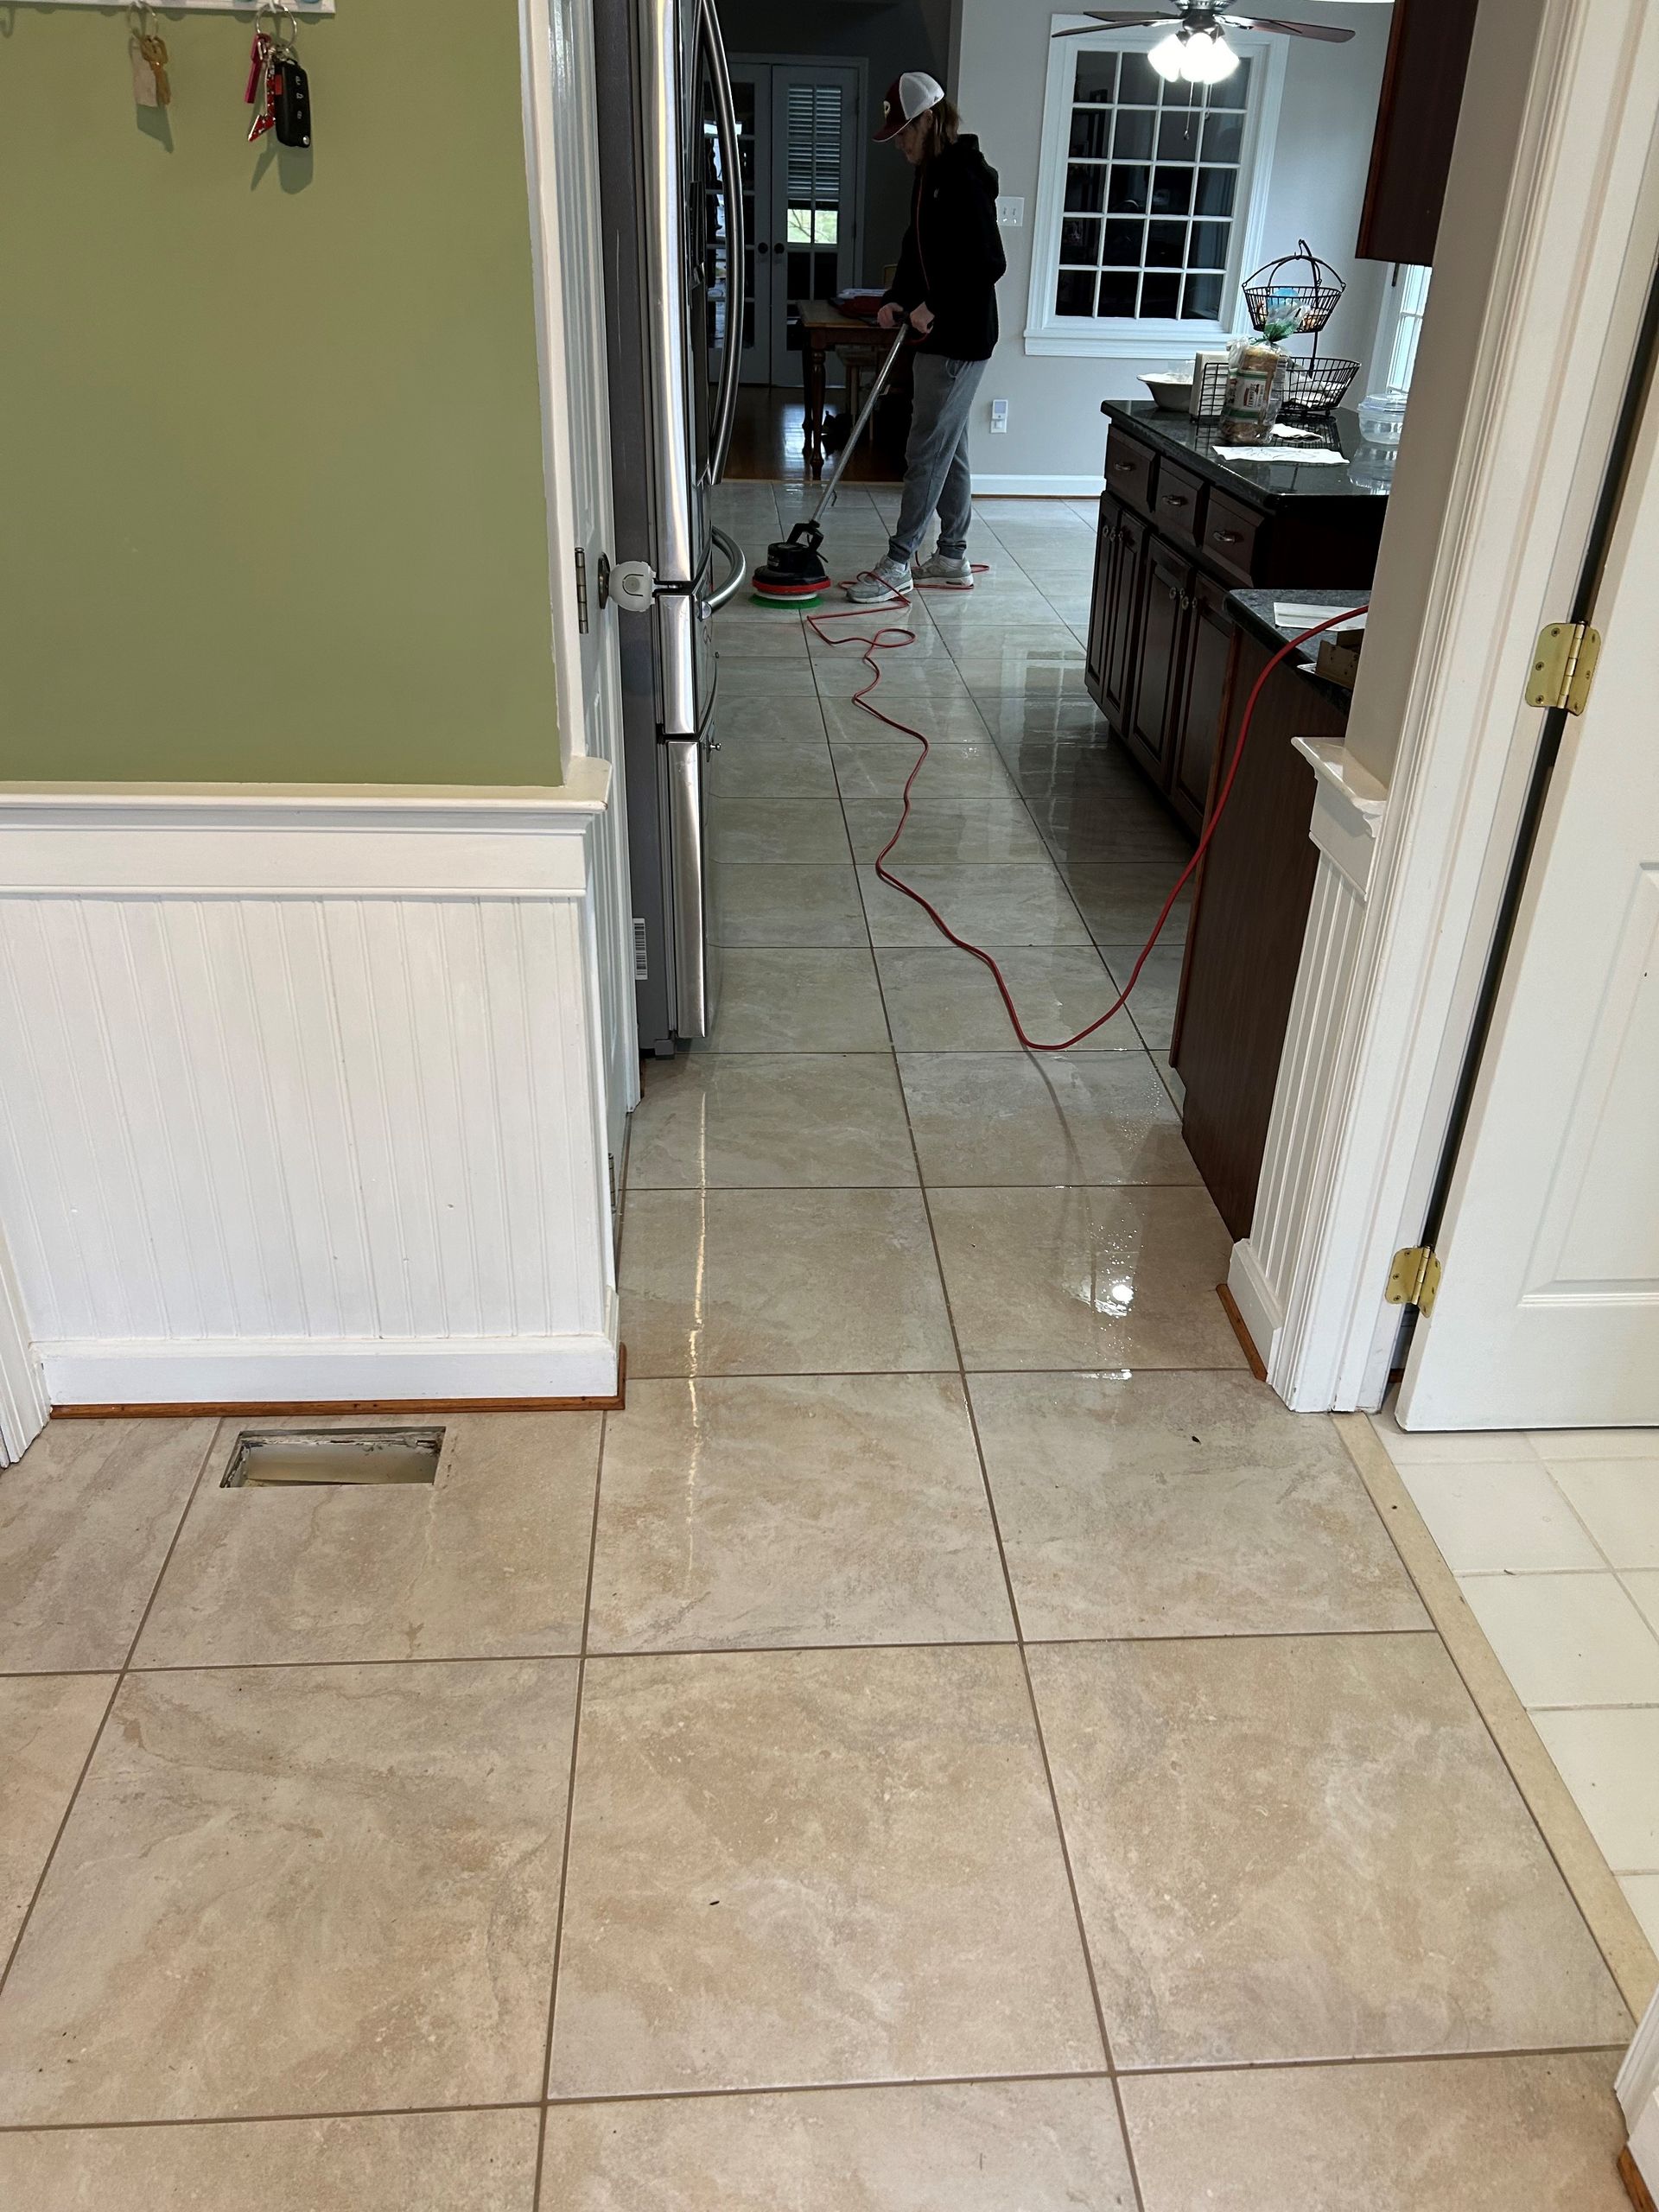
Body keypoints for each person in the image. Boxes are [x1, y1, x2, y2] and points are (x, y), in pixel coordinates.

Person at [845, 72, 1005, 603]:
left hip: (959, 339)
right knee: (950, 446)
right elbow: (918, 245)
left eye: (904, 133)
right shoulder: (932, 174)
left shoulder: (962, 178)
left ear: (929, 120)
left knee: (926, 450)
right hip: (942, 335)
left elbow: (988, 262)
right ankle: (952, 556)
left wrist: (932, 306)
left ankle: (899, 562)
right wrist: (896, 297)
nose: (900, 145)